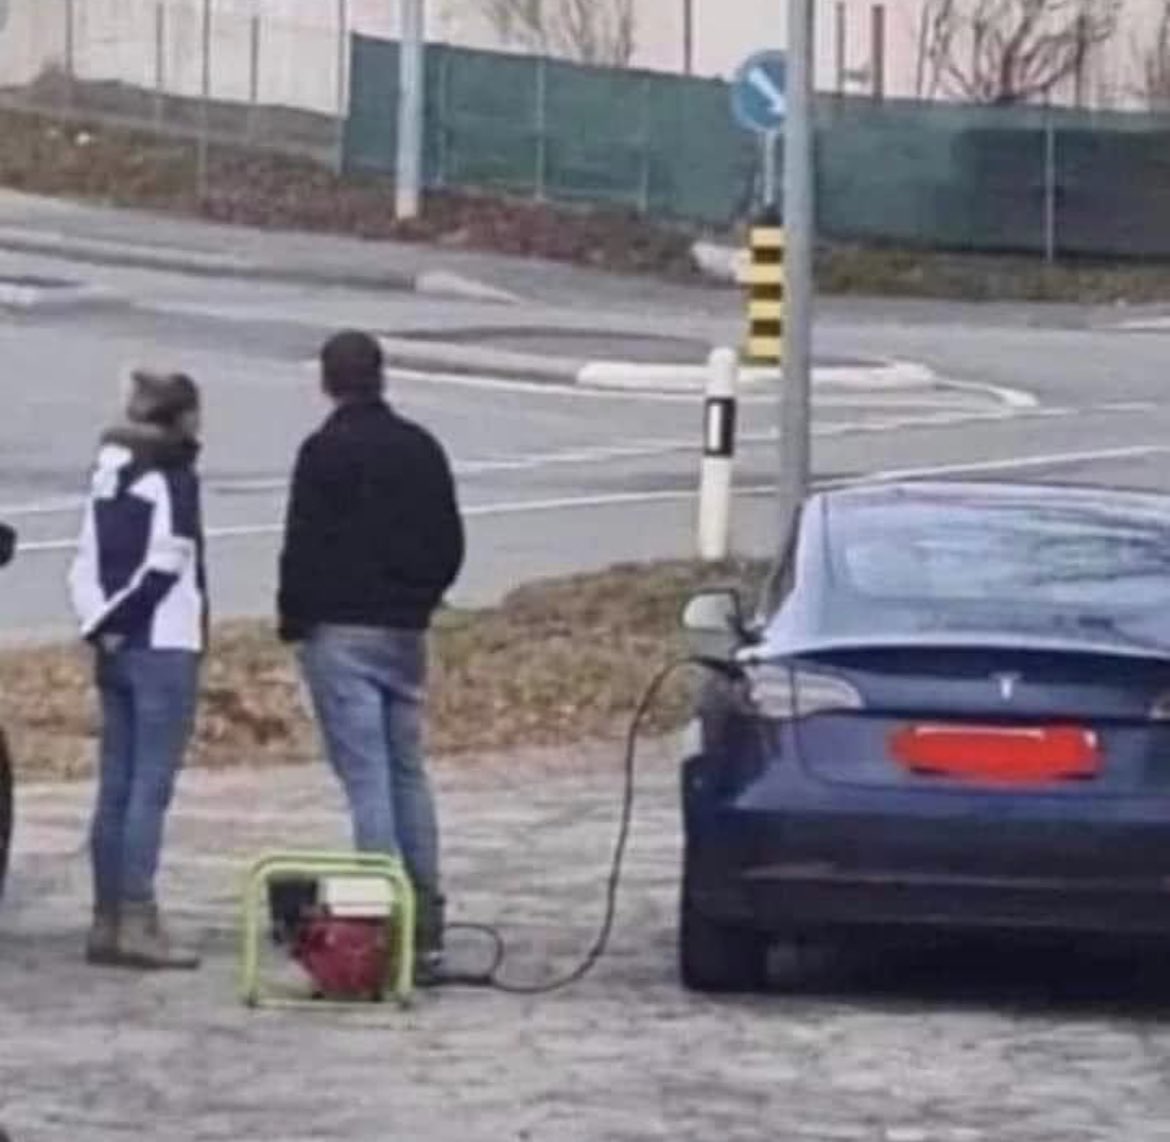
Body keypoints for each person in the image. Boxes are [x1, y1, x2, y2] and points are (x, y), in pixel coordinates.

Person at [278, 330, 464, 983]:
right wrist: (420, 598)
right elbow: (449, 540)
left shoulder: (323, 452)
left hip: (339, 631)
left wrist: (294, 622)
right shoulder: (420, 449)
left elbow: (300, 545)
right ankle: (428, 921)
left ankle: (383, 927)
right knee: (408, 772)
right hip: (403, 631)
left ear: (329, 383)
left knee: (366, 779)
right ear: (381, 377)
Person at [68, 370, 207, 970]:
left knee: (117, 785)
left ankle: (105, 917)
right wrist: (130, 619)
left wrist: (98, 625)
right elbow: (169, 560)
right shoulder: (171, 477)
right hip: (164, 643)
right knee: (151, 786)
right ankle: (137, 915)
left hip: (114, 646)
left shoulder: (111, 475)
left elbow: (84, 561)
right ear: (182, 417)